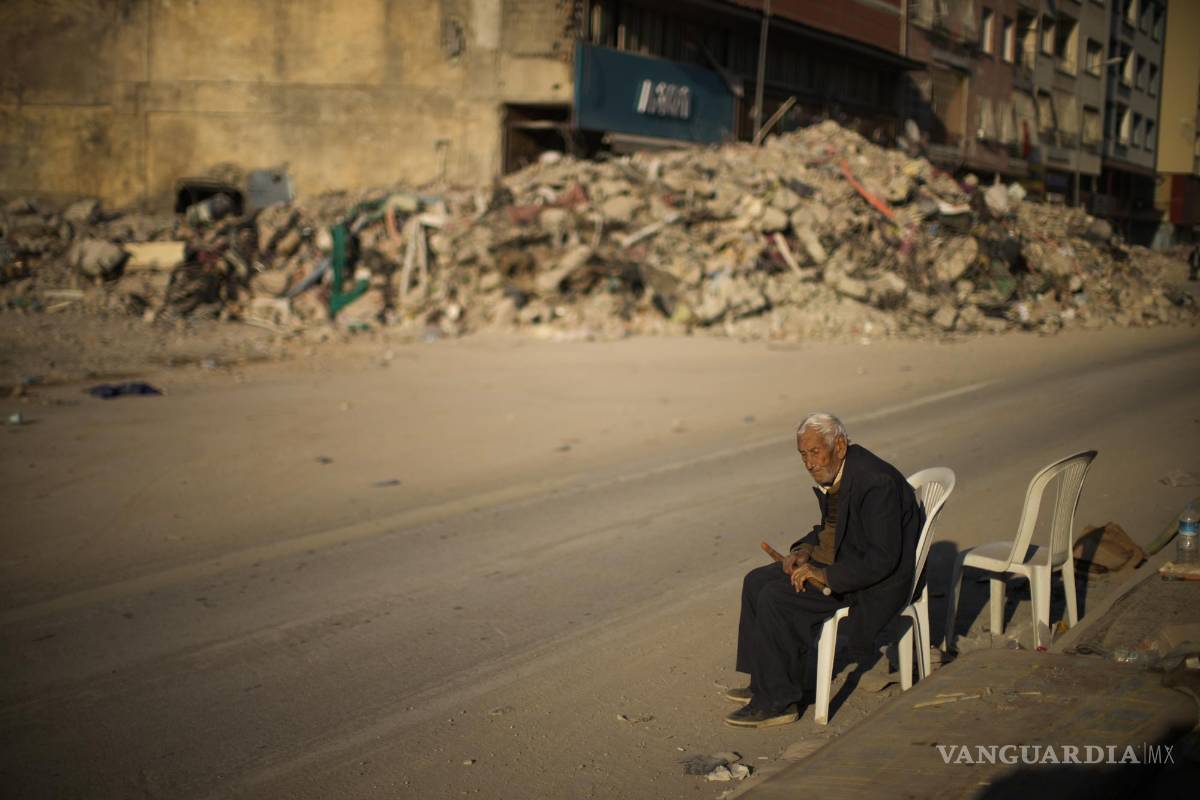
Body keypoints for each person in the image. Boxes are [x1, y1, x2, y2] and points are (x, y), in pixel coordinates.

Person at [724, 412, 922, 728]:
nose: (809, 463)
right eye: (803, 454)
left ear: (839, 445)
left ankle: (779, 702)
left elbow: (883, 558)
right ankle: (763, 680)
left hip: (868, 582)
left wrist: (824, 575)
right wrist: (803, 552)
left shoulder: (874, 482)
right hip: (844, 560)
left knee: (777, 597)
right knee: (756, 581)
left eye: (815, 452)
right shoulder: (843, 471)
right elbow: (831, 528)